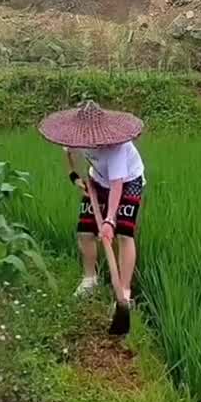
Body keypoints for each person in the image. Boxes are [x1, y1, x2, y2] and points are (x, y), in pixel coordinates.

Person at [65, 113, 144, 302]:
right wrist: (74, 177)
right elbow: (68, 153)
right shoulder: (75, 138)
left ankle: (124, 292)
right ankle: (90, 279)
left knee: (124, 233)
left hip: (128, 182)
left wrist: (109, 220)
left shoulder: (115, 147)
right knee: (85, 231)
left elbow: (117, 185)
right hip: (97, 180)